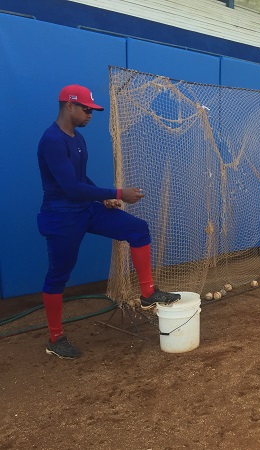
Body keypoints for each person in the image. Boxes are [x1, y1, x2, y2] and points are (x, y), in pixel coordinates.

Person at [37, 84, 181, 359]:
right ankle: (56, 338)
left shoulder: (77, 139)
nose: (90, 114)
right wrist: (117, 193)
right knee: (58, 277)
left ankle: (148, 293)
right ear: (69, 105)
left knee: (137, 229)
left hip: (85, 209)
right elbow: (70, 188)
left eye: (92, 110)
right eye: (86, 109)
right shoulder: (52, 140)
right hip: (61, 216)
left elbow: (80, 181)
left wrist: (103, 200)